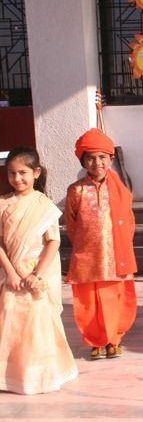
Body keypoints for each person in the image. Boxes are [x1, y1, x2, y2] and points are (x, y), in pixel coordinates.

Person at [0, 147, 78, 394]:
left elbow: (53, 242)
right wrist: (11, 273)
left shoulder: (45, 206)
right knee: (10, 324)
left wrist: (37, 274)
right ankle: (10, 376)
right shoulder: (2, 204)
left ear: (36, 173)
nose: (17, 178)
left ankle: (40, 376)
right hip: (12, 276)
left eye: (22, 172)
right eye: (12, 173)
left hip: (35, 277)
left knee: (37, 327)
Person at [65, 128, 138, 359]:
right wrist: (87, 245)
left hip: (116, 255)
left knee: (115, 297)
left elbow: (130, 221)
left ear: (111, 159)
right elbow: (71, 224)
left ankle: (114, 340)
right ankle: (95, 341)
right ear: (83, 161)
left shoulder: (120, 188)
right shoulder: (75, 190)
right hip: (88, 256)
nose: (97, 163)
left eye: (102, 157)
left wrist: (120, 246)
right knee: (88, 300)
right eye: (90, 158)